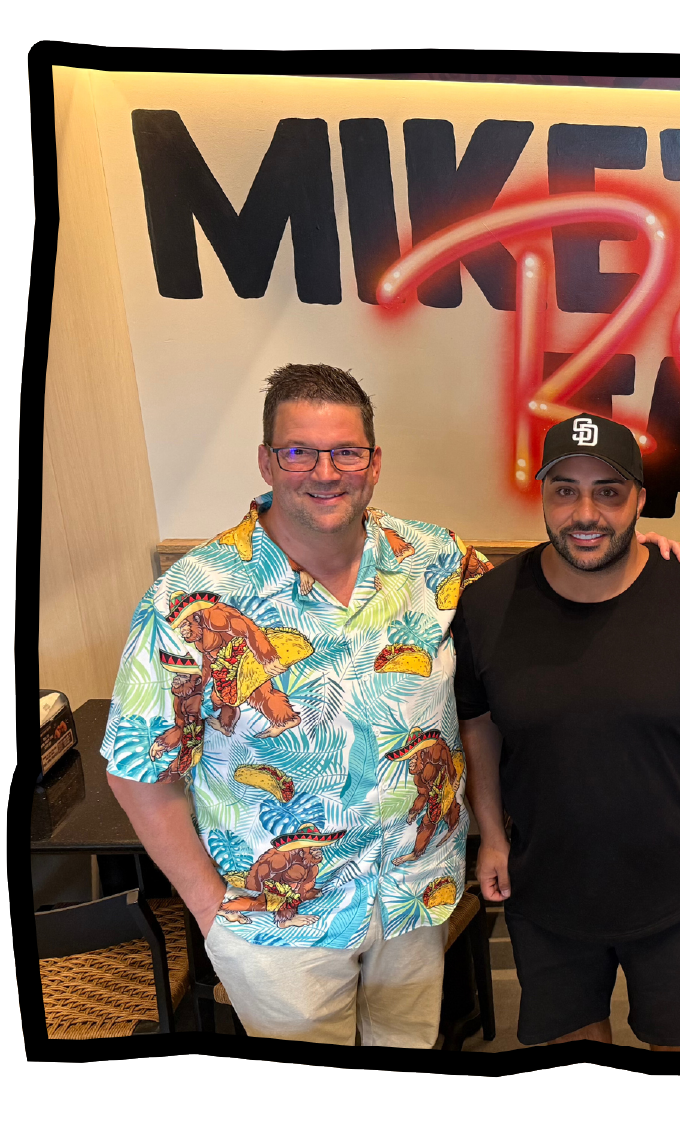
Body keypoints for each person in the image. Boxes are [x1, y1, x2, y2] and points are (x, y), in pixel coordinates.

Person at [102, 363, 491, 1046]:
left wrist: (642, 556)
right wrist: (210, 908)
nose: (325, 470)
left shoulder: (436, 559)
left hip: (414, 894)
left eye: (345, 450)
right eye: (298, 451)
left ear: (373, 463)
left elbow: (543, 602)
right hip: (278, 924)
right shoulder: (193, 595)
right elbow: (137, 770)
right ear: (266, 460)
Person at [453, 412, 680, 1052]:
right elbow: (477, 725)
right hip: (547, 891)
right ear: (542, 496)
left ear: (640, 502)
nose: (585, 512)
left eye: (609, 492)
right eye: (565, 489)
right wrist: (489, 835)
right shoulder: (489, 606)